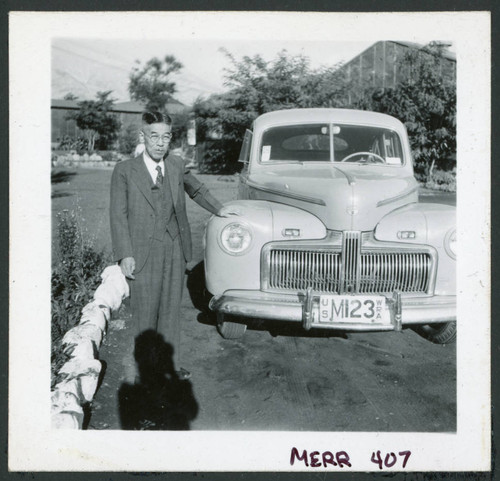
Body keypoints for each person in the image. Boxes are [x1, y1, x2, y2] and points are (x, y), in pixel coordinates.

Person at [110, 111, 232, 381]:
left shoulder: (176, 165)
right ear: (143, 137)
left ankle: (171, 366)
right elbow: (117, 215)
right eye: (154, 136)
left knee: (170, 308)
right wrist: (125, 254)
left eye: (166, 137)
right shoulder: (125, 170)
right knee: (144, 311)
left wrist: (221, 210)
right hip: (142, 251)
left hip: (175, 247)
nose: (160, 143)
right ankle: (144, 371)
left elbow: (197, 190)